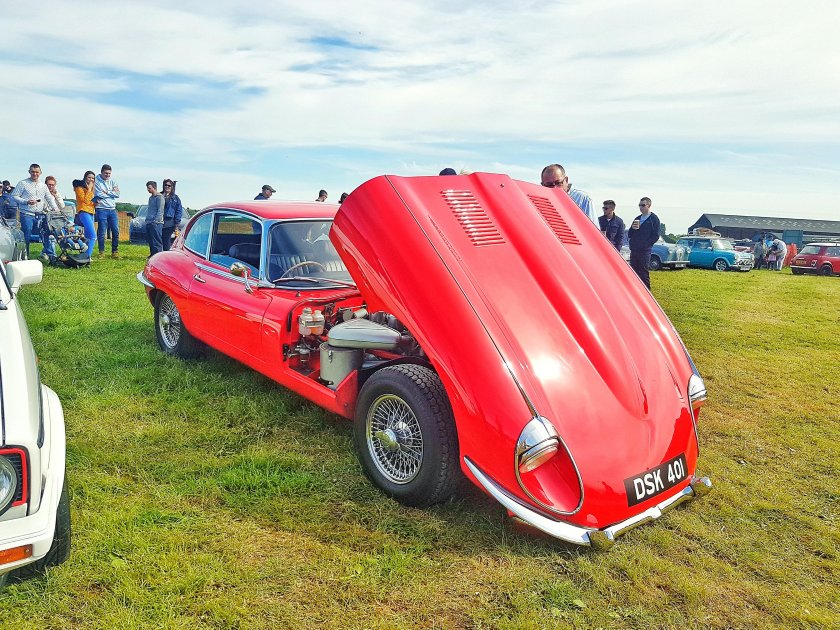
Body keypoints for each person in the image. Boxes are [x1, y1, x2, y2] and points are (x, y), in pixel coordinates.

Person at [12, 164, 59, 259]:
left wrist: (56, 209)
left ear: (40, 173)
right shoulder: (22, 183)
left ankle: (51, 256)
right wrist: (26, 202)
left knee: (47, 233)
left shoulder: (43, 186)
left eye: (37, 172)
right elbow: (14, 196)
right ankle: (25, 256)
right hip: (26, 214)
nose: (35, 174)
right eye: (33, 171)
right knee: (27, 236)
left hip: (40, 215)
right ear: (29, 172)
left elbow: (49, 198)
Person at [627, 197, 661, 289]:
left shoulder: (653, 219)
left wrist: (646, 244)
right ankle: (635, 290)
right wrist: (633, 229)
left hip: (645, 250)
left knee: (643, 271)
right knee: (633, 271)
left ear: (649, 206)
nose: (641, 207)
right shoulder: (637, 218)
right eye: (639, 205)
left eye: (643, 205)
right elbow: (629, 234)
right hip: (634, 249)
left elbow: (656, 235)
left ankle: (647, 293)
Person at [93, 164, 121, 258]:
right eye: (106, 173)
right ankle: (101, 252)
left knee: (116, 231)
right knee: (102, 231)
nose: (108, 175)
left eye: (109, 173)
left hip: (112, 209)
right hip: (101, 209)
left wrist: (107, 192)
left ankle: (115, 251)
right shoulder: (96, 181)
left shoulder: (112, 181)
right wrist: (111, 193)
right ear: (101, 172)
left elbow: (118, 194)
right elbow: (98, 194)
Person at [73, 171, 97, 259]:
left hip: (91, 212)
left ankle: (83, 255)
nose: (91, 180)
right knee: (93, 236)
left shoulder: (90, 189)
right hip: (83, 212)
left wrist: (96, 202)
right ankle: (87, 256)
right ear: (85, 178)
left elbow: (90, 202)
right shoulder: (79, 188)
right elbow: (85, 201)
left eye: (93, 178)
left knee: (87, 236)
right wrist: (90, 189)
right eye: (89, 177)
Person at [161, 179, 183, 251]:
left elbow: (179, 211)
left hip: (169, 223)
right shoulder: (159, 195)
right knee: (157, 241)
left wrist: (177, 223)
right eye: (166, 185)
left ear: (172, 187)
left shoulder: (176, 198)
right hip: (158, 221)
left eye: (169, 185)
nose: (167, 187)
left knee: (166, 240)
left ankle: (165, 255)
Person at [145, 181, 165, 257]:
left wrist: (156, 221)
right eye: (147, 188)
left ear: (154, 188)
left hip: (156, 223)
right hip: (149, 222)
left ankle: (158, 256)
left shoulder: (159, 197)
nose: (148, 190)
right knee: (151, 240)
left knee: (157, 241)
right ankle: (152, 255)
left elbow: (160, 210)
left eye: (149, 188)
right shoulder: (151, 198)